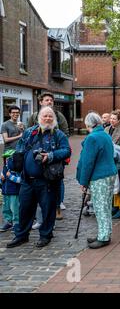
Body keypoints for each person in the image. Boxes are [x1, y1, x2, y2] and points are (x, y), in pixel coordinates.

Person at [6, 106, 71, 248]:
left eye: (50, 116)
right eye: (44, 116)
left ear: (53, 118)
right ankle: (22, 235)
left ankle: (45, 235)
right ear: (38, 118)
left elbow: (67, 151)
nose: (47, 118)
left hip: (47, 181)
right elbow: (20, 149)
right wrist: (15, 161)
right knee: (24, 209)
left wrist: (51, 156)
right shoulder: (29, 132)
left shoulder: (58, 134)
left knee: (47, 209)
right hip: (27, 180)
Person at [76, 112, 117, 249]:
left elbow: (88, 163)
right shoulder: (105, 134)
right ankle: (104, 232)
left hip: (99, 176)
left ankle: (104, 236)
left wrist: (83, 181)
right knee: (105, 206)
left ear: (88, 124)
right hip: (109, 173)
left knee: (100, 207)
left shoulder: (92, 138)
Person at [27, 92, 70, 221]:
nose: (49, 102)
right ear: (41, 102)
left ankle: (57, 206)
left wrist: (56, 148)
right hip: (37, 157)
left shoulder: (59, 116)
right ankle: (40, 209)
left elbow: (65, 133)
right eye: (47, 100)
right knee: (39, 181)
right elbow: (29, 134)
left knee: (57, 179)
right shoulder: (34, 116)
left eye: (51, 100)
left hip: (55, 157)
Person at [0, 152, 21, 232]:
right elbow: (2, 179)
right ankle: (8, 222)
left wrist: (11, 176)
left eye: (9, 159)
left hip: (14, 192)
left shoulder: (17, 169)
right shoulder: (5, 168)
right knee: (6, 208)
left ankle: (16, 223)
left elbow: (20, 180)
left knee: (14, 208)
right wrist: (1, 179)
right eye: (6, 159)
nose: (7, 161)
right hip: (5, 192)